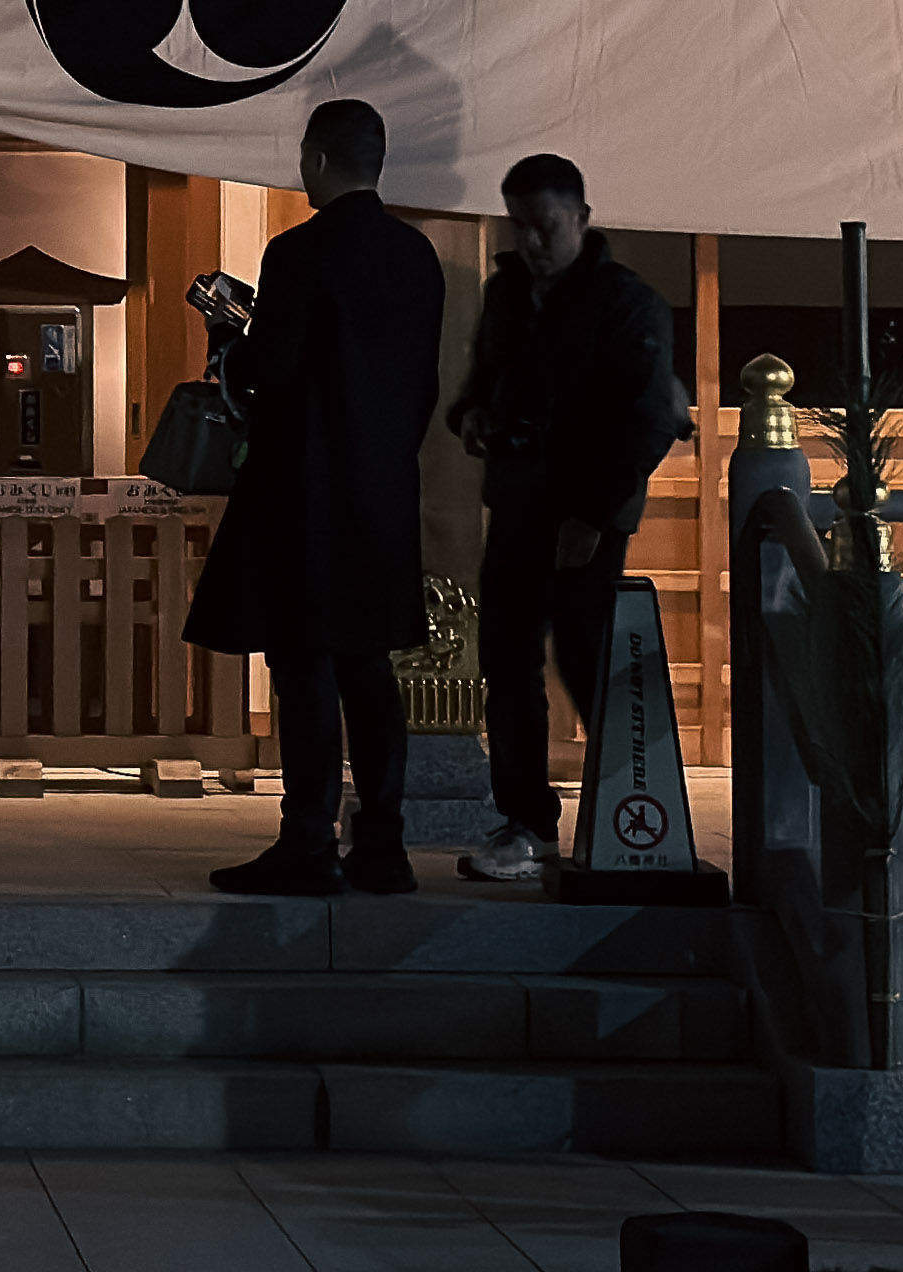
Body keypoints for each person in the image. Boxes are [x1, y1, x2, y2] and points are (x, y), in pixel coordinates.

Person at [185, 94, 451, 896]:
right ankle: (383, 843)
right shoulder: (418, 257)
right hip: (383, 487)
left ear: (321, 160)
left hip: (305, 488)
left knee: (302, 663)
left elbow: (273, 367)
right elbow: (422, 382)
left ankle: (307, 840)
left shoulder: (298, 251)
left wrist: (231, 340)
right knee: (369, 667)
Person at [447, 151, 689, 882]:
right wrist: (473, 420)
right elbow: (479, 382)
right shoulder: (509, 294)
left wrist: (593, 511)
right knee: (507, 663)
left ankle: (629, 818)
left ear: (581, 218)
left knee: (590, 664)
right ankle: (527, 821)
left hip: (587, 513)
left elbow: (644, 420)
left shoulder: (626, 303)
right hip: (519, 499)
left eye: (545, 225)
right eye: (518, 225)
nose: (531, 241)